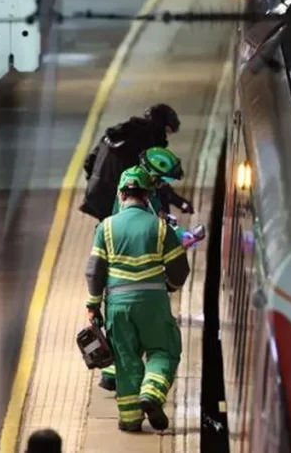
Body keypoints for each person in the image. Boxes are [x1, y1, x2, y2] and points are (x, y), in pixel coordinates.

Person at [85, 166, 191, 432]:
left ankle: (131, 420)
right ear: (147, 196)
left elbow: (94, 271)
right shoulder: (160, 227)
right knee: (164, 350)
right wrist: (168, 286)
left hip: (117, 306)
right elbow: (180, 269)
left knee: (125, 359)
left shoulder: (106, 227)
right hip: (153, 303)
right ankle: (152, 394)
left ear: (121, 194)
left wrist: (93, 305)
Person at [80, 103, 181, 221]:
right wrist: (176, 201)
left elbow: (88, 162)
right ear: (161, 126)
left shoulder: (114, 134)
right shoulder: (147, 142)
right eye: (167, 131)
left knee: (110, 231)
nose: (166, 137)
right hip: (118, 198)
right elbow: (155, 180)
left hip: (96, 194)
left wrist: (98, 183)